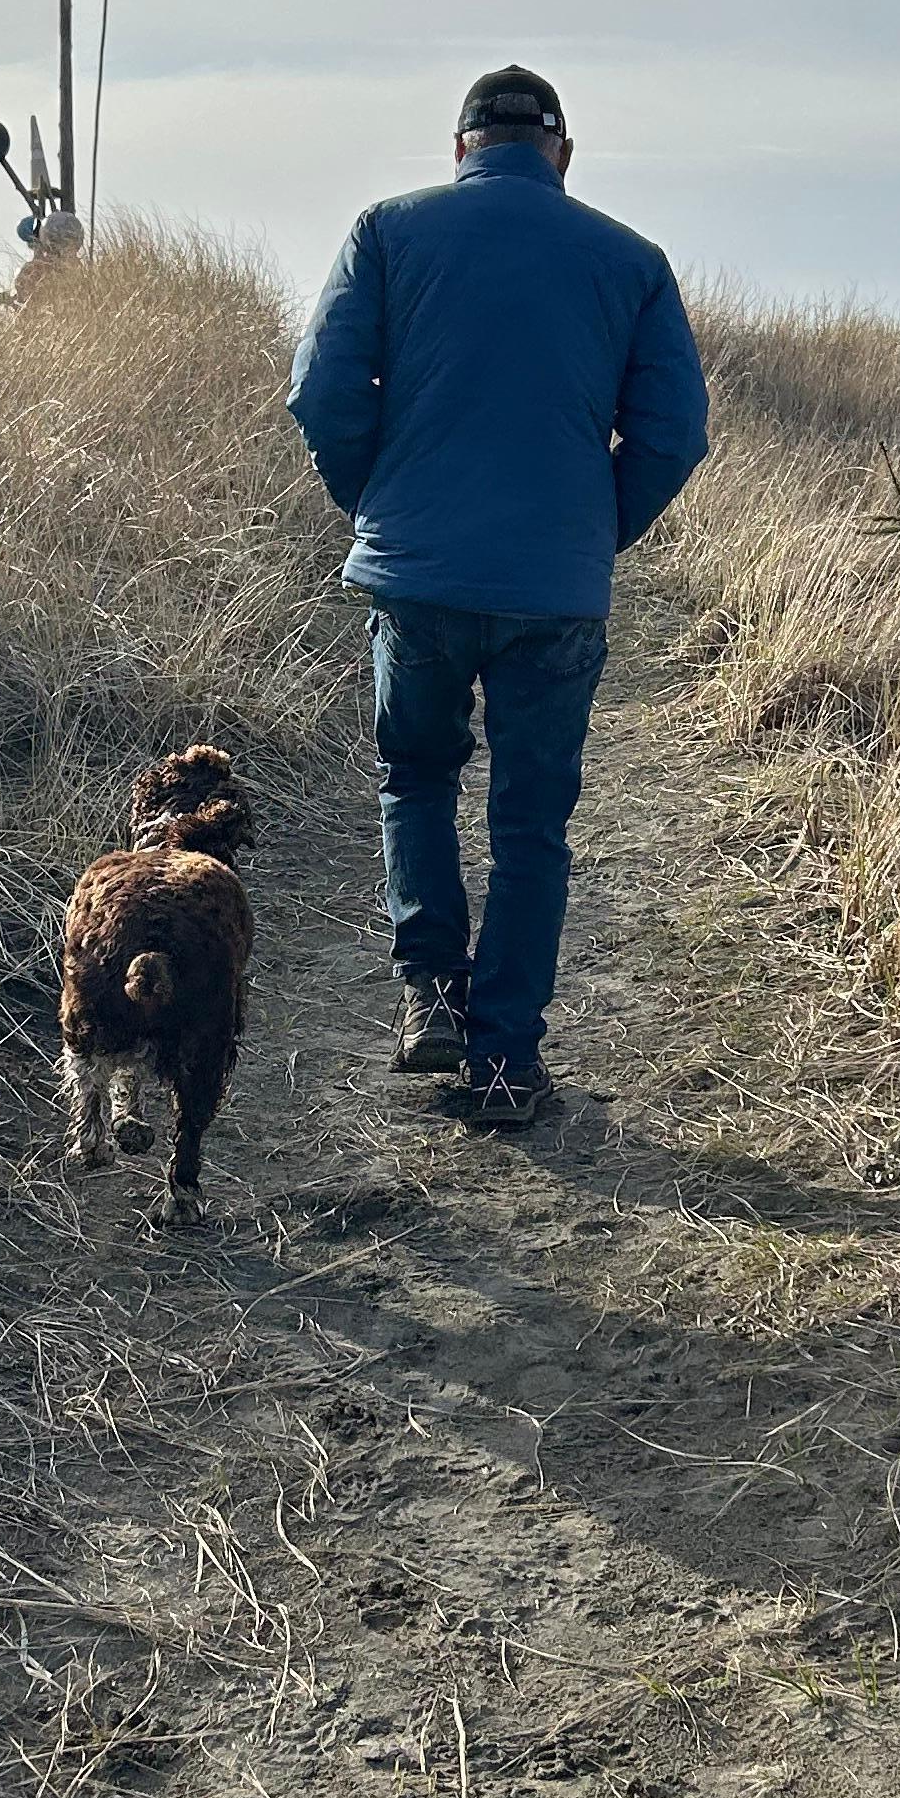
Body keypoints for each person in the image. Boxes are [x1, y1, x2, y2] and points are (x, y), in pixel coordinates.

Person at [288, 65, 711, 1129]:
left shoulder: (386, 232)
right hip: (555, 591)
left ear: (461, 146)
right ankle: (505, 1064)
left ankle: (430, 991)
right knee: (531, 827)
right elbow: (674, 434)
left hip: (417, 575)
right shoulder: (632, 262)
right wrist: (592, 533)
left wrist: (374, 502)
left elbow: (320, 392)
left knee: (416, 777)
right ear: (562, 153)